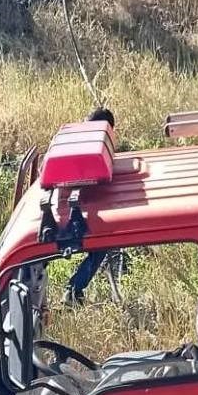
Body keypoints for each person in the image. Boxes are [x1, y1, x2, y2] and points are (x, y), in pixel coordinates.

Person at [67, 108, 115, 303]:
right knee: (100, 245)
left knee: (100, 248)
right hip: (75, 208)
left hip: (83, 201)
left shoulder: (96, 140)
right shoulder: (88, 141)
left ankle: (73, 290)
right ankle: (73, 290)